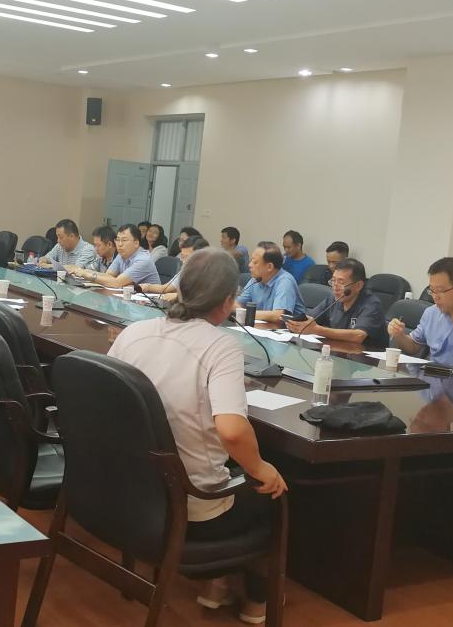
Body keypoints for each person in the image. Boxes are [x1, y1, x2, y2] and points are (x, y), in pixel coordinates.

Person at [108, 248, 286, 624]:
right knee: (271, 491)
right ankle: (256, 601)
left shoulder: (134, 332)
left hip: (131, 492)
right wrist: (261, 468)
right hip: (187, 508)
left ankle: (217, 584)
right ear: (228, 302)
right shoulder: (221, 346)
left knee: (240, 474)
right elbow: (232, 432)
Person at [286, 258, 388, 347]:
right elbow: (310, 319)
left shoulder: (371, 304)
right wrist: (296, 323)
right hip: (338, 353)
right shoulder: (333, 300)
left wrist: (318, 330)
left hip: (366, 359)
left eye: (341, 282)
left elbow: (358, 336)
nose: (335, 287)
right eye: (333, 281)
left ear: (358, 286)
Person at [69, 224, 159, 287]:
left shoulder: (143, 260)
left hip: (150, 304)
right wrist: (83, 271)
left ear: (136, 243)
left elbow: (117, 282)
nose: (119, 244)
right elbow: (108, 275)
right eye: (118, 240)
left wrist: (86, 274)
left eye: (124, 240)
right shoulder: (122, 254)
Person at [236, 243, 305, 322]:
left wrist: (244, 313)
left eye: (255, 262)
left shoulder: (285, 281)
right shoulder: (255, 280)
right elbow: (237, 304)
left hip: (288, 329)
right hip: (263, 327)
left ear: (269, 267)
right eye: (251, 261)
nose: (250, 265)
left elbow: (278, 316)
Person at [140, 236, 209, 299]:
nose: (183, 261)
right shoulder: (185, 270)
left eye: (187, 257)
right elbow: (164, 288)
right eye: (182, 256)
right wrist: (147, 287)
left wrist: (177, 296)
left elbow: (203, 298)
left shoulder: (210, 274)